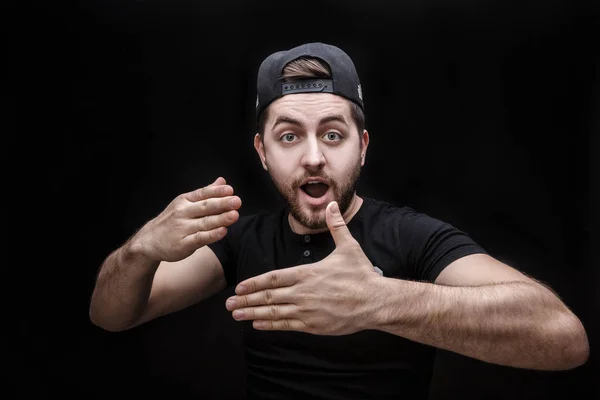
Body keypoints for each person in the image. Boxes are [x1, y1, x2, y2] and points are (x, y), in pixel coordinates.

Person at [89, 42, 589, 399]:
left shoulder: (412, 236)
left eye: (332, 134)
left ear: (362, 146)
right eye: (289, 136)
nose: (312, 158)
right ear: (262, 152)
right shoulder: (239, 240)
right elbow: (110, 316)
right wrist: (141, 250)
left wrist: (379, 301)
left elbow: (564, 339)